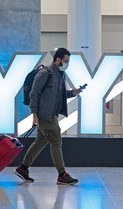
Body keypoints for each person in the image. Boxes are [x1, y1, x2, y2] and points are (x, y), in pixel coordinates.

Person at [14, 48, 80, 185]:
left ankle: (23, 168)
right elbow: (34, 94)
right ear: (57, 59)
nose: (67, 64)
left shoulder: (61, 75)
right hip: (44, 115)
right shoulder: (45, 73)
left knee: (41, 141)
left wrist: (72, 93)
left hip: (52, 114)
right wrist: (34, 115)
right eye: (65, 61)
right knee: (56, 141)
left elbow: (60, 95)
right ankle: (62, 174)